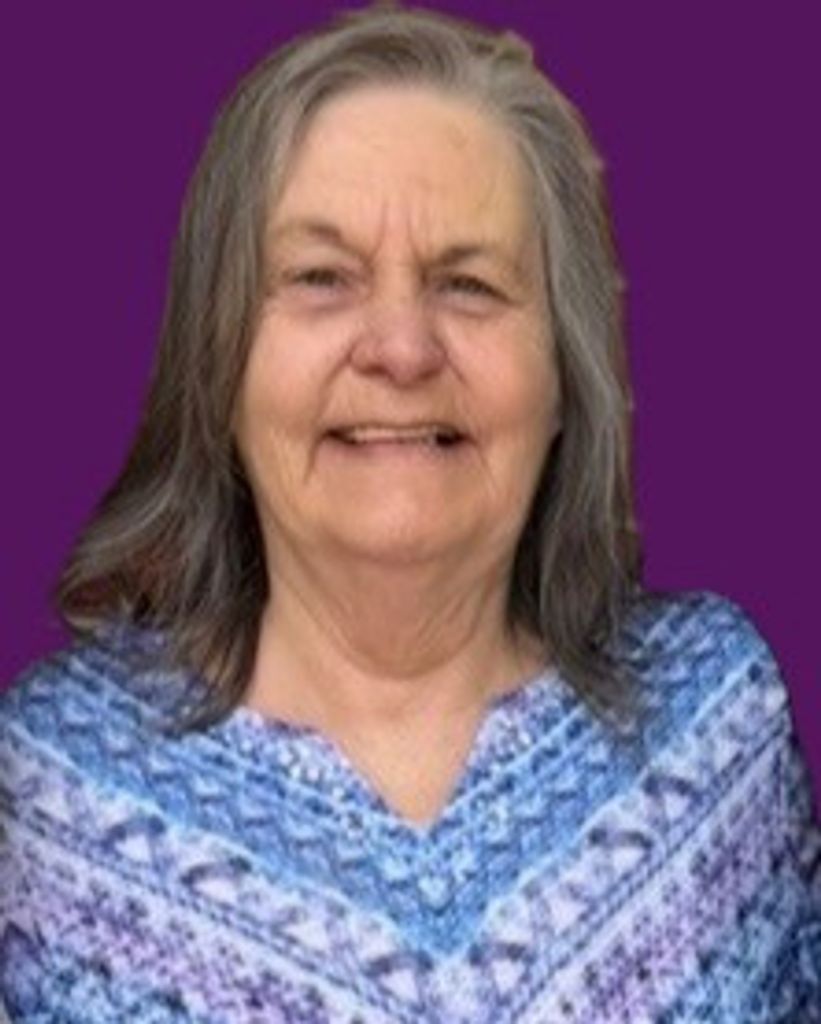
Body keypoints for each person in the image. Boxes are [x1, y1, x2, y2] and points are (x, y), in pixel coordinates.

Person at [1, 4, 819, 1021]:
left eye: (467, 284)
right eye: (320, 278)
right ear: (218, 360)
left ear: (564, 375)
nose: (400, 347)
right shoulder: (48, 792)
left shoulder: (713, 721)